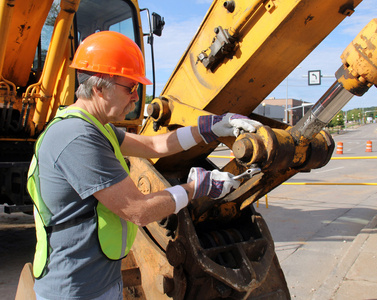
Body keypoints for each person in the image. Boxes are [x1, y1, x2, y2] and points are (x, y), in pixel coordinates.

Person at [27, 31, 262, 300]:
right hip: (75, 290)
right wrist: (197, 188)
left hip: (99, 282)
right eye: (130, 88)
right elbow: (139, 211)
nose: (136, 98)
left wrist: (209, 128)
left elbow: (154, 146)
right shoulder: (77, 138)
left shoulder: (96, 128)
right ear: (99, 88)